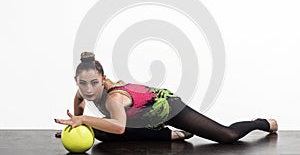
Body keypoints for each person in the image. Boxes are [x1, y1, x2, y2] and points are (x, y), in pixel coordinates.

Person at [55, 52, 278, 144]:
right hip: (143, 117)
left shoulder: (115, 98)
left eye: (94, 83)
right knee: (100, 133)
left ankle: (259, 123)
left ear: (103, 79)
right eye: (82, 83)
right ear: (76, 80)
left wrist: (83, 121)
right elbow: (80, 103)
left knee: (226, 136)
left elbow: (120, 126)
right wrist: (77, 123)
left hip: (168, 107)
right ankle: (169, 135)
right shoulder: (83, 91)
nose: (88, 90)